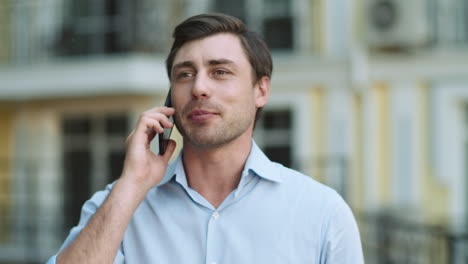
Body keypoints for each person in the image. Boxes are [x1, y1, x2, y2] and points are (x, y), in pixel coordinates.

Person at [47, 13, 363, 264]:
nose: (199, 87)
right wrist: (130, 186)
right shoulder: (116, 205)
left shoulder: (322, 213)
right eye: (184, 74)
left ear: (261, 90)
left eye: (220, 72)